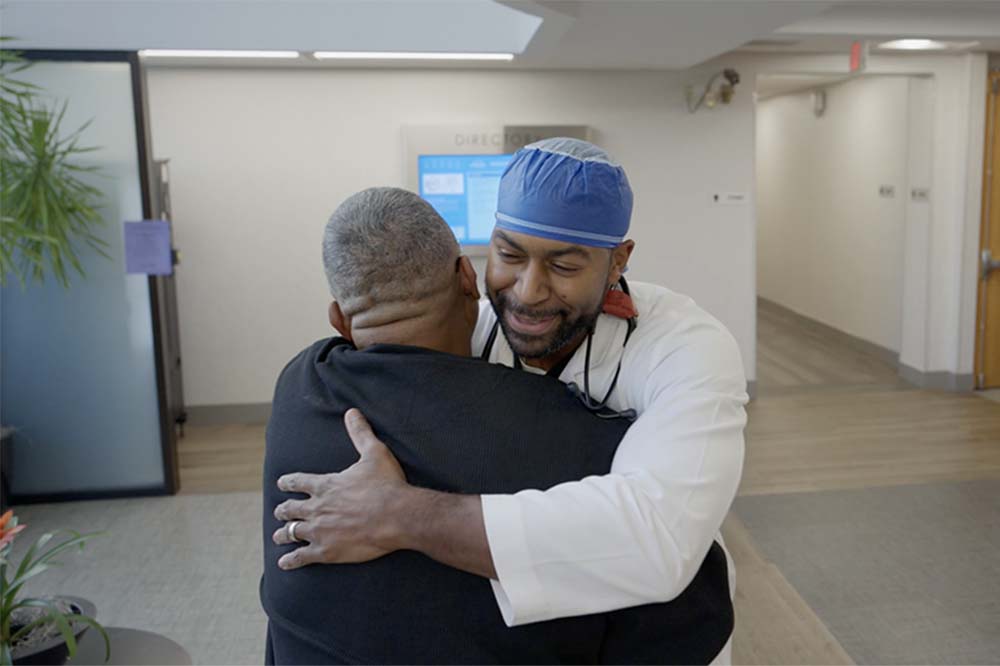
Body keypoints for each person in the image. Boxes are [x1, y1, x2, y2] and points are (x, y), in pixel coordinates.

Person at [274, 139, 748, 663]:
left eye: (563, 266)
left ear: (618, 262)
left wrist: (401, 515)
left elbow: (656, 541)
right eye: (510, 255)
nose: (527, 292)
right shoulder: (471, 327)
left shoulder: (686, 349)